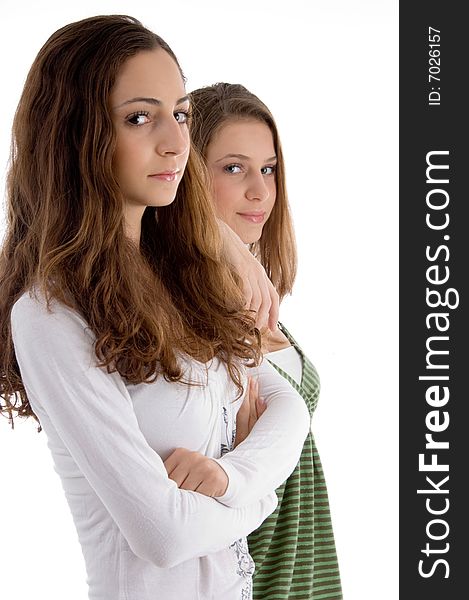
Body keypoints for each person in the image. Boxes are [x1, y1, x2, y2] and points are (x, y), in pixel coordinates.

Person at [0, 16, 311, 600]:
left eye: (182, 114)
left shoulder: (179, 281)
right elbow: (162, 534)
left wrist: (231, 476)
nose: (174, 142)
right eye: (140, 117)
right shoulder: (49, 316)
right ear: (76, 134)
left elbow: (288, 406)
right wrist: (260, 496)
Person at [189, 82, 343, 599]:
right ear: (188, 178)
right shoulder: (180, 302)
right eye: (234, 169)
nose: (260, 191)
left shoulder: (254, 293)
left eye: (268, 169)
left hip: (306, 563)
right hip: (253, 568)